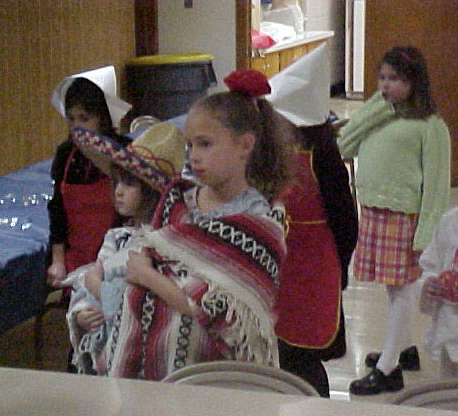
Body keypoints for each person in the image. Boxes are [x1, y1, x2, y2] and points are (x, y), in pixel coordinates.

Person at [102, 70, 290, 381]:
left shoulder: (259, 224)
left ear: (245, 145)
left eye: (205, 144)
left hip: (215, 377)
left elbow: (218, 312)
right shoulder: (178, 200)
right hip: (154, 362)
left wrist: (148, 276)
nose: (194, 157)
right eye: (190, 146)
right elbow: (148, 256)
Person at [339, 46, 451, 395]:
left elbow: (437, 184)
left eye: (396, 79)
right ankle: (403, 349)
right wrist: (376, 106)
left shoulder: (430, 126)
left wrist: (427, 234)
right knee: (392, 287)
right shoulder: (380, 115)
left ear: (415, 82)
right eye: (382, 78)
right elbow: (344, 145)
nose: (386, 85)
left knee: (402, 288)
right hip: (374, 210)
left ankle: (389, 367)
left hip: (404, 216)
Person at [265, 44, 358, 398]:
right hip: (281, 264)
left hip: (315, 266)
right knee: (280, 349)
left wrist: (339, 267)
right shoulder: (275, 154)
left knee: (302, 353)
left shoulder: (324, 159)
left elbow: (345, 221)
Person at [66, 122, 184, 374]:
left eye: (129, 184)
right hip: (104, 353)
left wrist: (98, 288)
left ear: (152, 192)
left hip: (138, 361)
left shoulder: (163, 246)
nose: (118, 191)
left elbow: (140, 305)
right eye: (116, 182)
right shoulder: (117, 238)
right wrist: (81, 313)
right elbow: (86, 284)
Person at [46, 77, 131, 288]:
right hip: (74, 257)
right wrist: (57, 261)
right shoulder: (66, 154)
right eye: (71, 119)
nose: (77, 127)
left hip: (118, 255)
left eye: (84, 119)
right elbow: (57, 210)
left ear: (102, 117)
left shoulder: (126, 152)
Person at [418, 207, 458, 379]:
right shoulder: (450, 222)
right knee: (448, 387)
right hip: (449, 329)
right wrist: (429, 283)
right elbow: (429, 264)